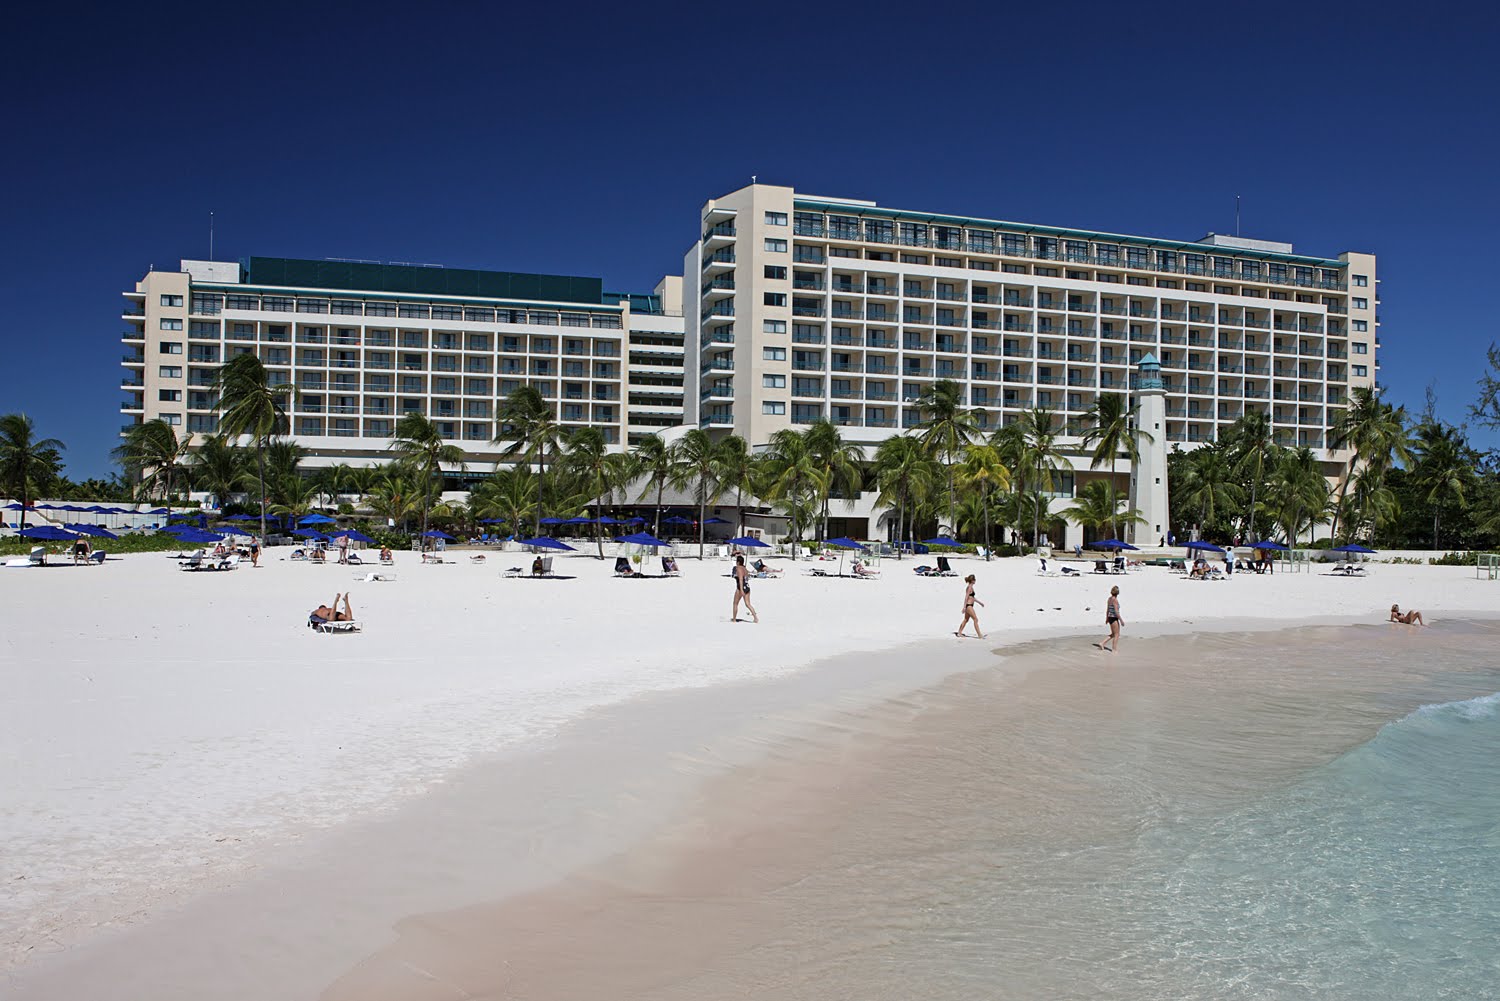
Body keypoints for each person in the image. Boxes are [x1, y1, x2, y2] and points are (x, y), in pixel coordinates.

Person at [955, 574, 984, 638]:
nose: (975, 581)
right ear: (972, 580)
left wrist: (980, 603)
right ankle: (979, 635)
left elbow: (972, 597)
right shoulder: (969, 587)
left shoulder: (970, 587)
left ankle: (959, 633)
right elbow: (966, 597)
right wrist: (964, 607)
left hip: (969, 605)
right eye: (975, 579)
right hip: (969, 606)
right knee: (975, 619)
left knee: (966, 619)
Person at [731, 554, 759, 623]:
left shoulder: (738, 568)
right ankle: (755, 618)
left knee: (735, 603)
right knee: (748, 604)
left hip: (741, 588)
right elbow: (747, 577)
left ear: (738, 562)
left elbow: (740, 579)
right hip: (747, 586)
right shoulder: (745, 569)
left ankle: (734, 619)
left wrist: (741, 590)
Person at [1095, 585, 1123, 651]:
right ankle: (1114, 649)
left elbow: (1107, 610)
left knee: (1113, 634)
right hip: (1114, 618)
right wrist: (1121, 620)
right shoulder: (1115, 600)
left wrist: (1107, 618)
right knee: (1117, 634)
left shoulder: (1109, 599)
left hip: (1110, 618)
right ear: (1117, 593)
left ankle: (1102, 643)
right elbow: (1116, 611)